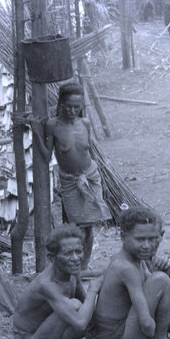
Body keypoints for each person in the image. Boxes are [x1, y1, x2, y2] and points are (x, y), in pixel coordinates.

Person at [85, 207, 170, 339]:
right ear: (123, 237)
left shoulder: (125, 258)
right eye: (140, 239)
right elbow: (146, 323)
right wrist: (153, 333)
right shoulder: (127, 269)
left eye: (152, 239)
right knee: (161, 280)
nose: (147, 245)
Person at [33, 83, 108, 267]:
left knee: (89, 226)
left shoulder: (85, 123)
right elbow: (46, 155)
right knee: (74, 227)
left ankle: (84, 265)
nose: (73, 110)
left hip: (90, 176)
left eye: (77, 106)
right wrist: (36, 132)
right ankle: (72, 262)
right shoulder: (53, 125)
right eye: (69, 106)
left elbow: (87, 151)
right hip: (70, 182)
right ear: (60, 104)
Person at [12, 224, 99, 339]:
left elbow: (88, 311)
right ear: (52, 258)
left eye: (79, 251)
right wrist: (93, 289)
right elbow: (80, 323)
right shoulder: (46, 284)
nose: (76, 258)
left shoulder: (72, 274)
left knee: (88, 311)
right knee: (74, 305)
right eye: (68, 253)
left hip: (48, 332)